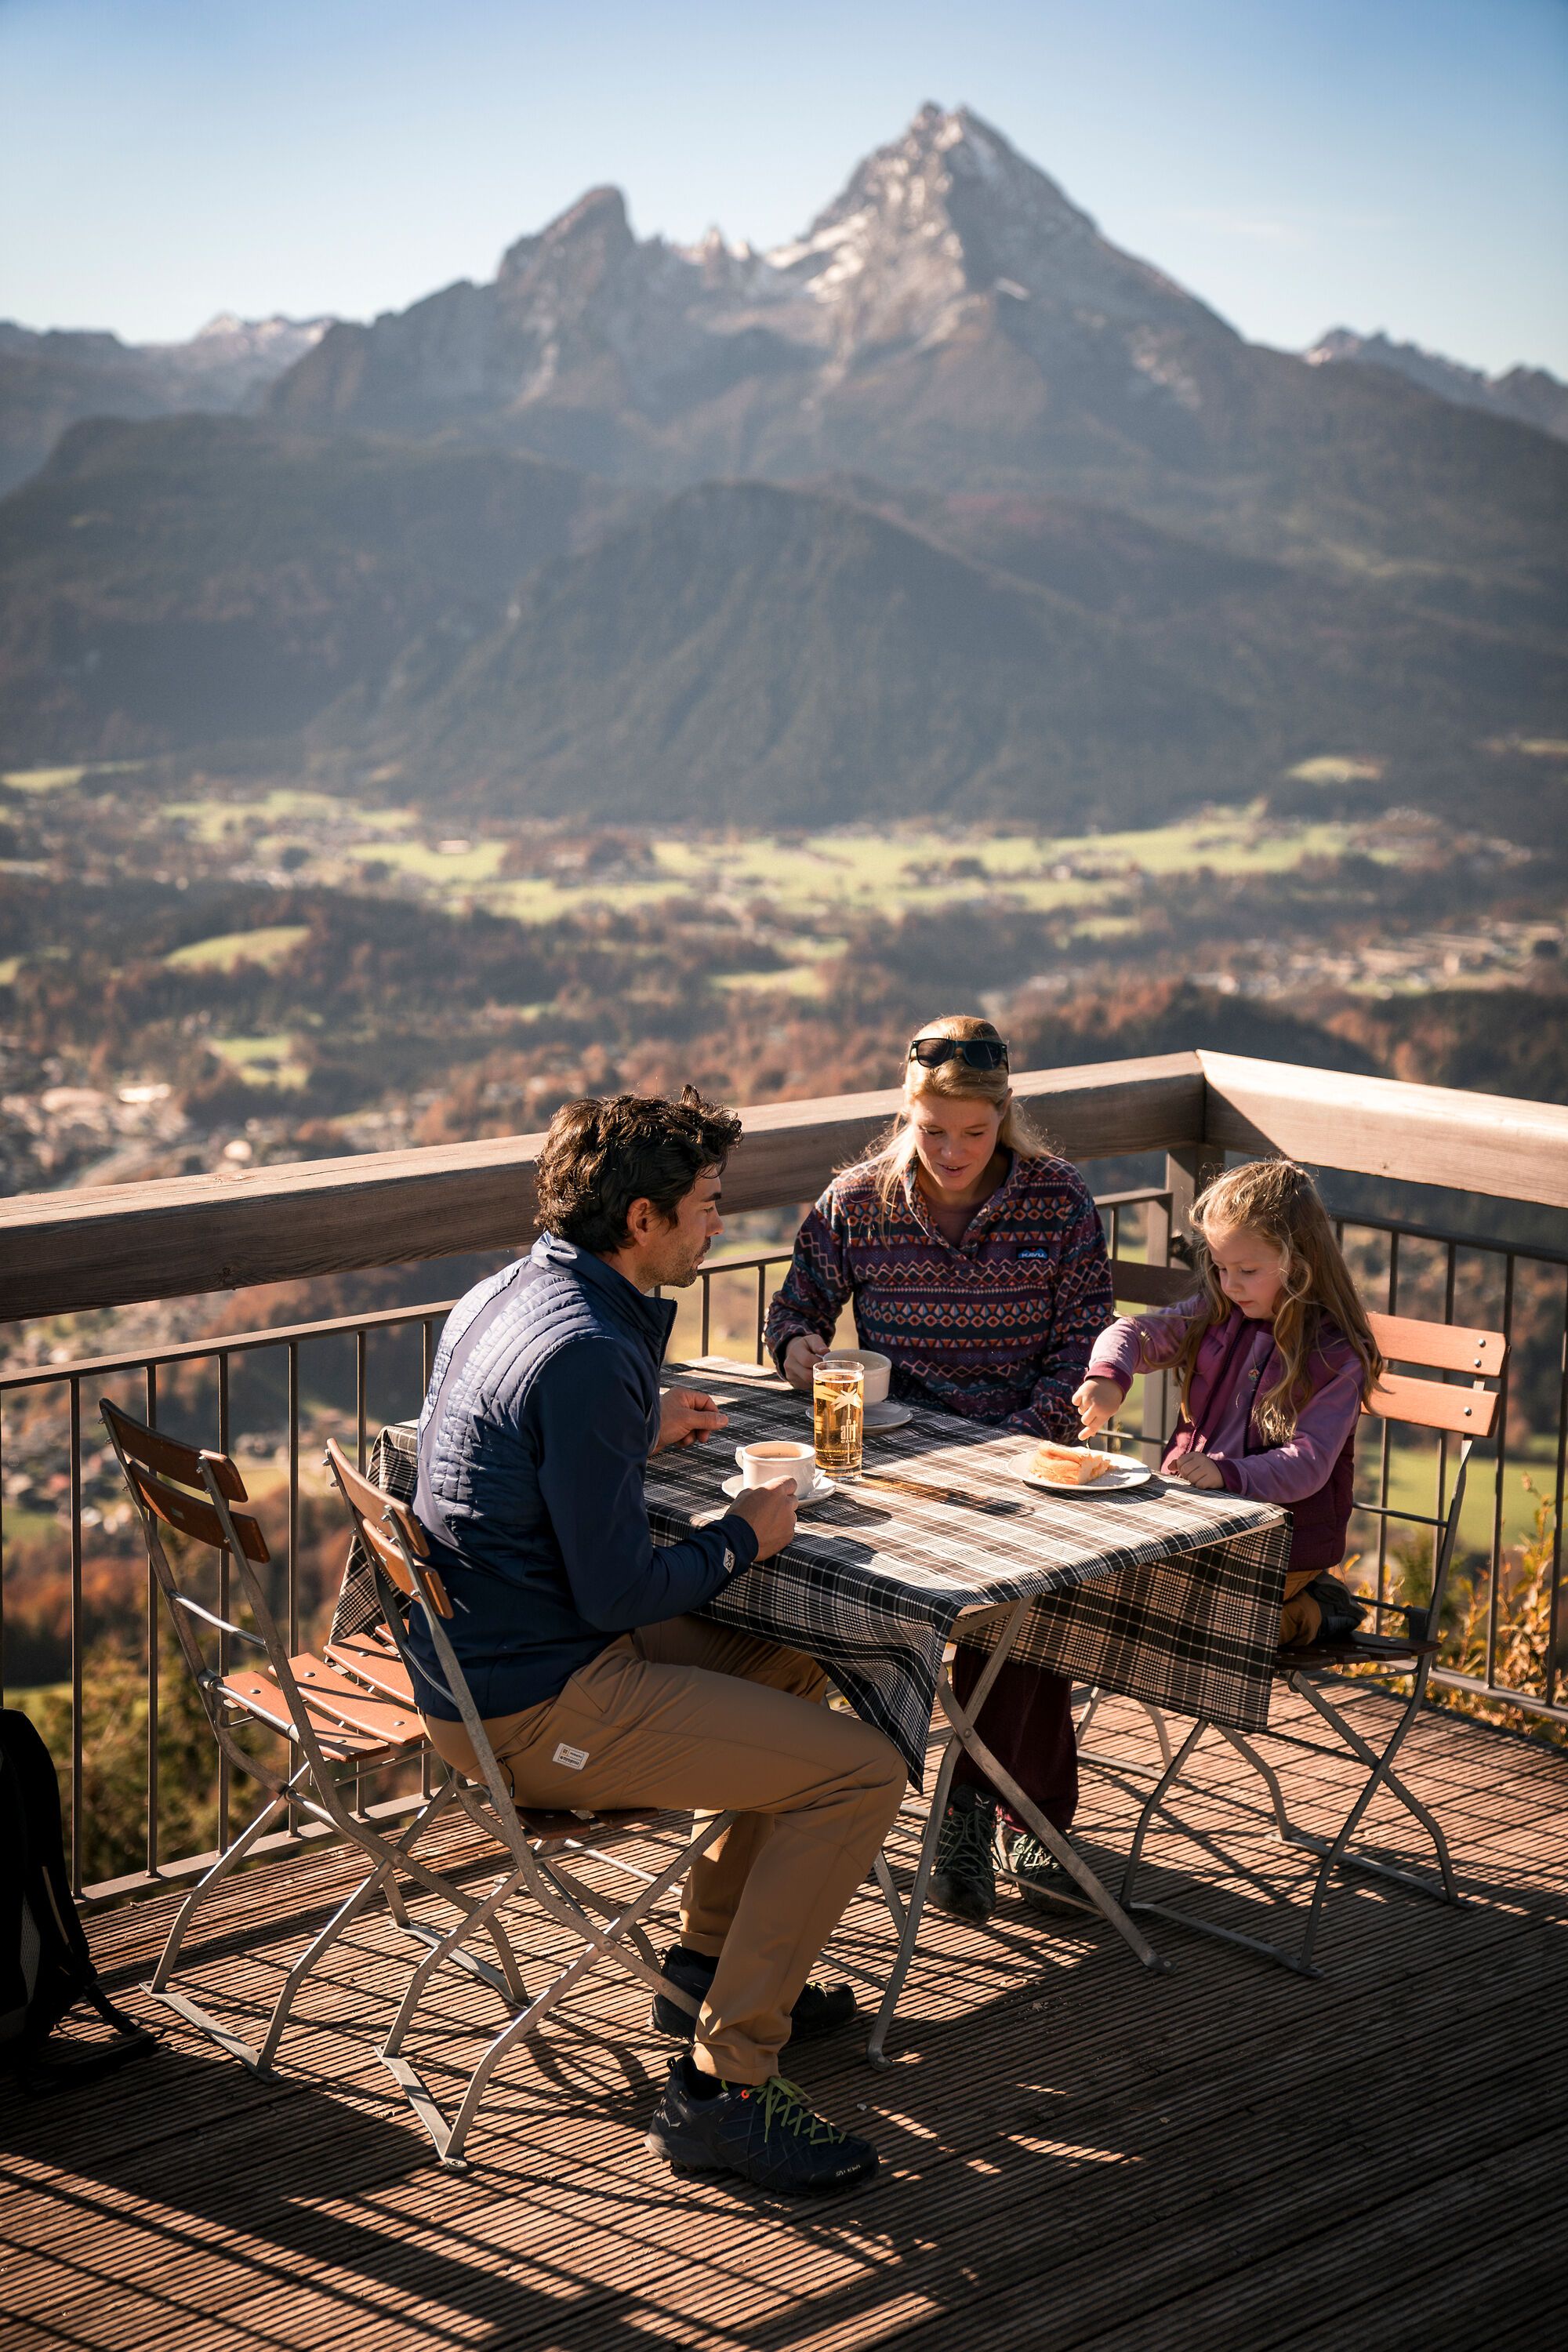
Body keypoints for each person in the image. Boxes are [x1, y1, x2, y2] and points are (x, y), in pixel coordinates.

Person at [409, 1086, 904, 2194]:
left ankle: (703, 1971)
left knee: (797, 1661)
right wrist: (745, 1533)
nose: (719, 1223)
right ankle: (725, 2090)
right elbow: (619, 1587)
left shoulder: (513, 1291)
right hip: (537, 1706)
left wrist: (639, 1421)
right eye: (707, 1204)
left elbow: (532, 1447)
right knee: (862, 1774)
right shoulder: (590, 1350)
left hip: (484, 1663)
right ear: (643, 1220)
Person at [764, 1014, 1114, 1926]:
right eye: (932, 1130)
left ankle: (976, 1811)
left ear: (1005, 1116)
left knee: (1027, 1607)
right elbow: (793, 1312)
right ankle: (1018, 1816)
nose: (952, 1150)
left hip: (1032, 1459)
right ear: (904, 1114)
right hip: (900, 1469)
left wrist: (1013, 1441)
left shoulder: (1057, 1199)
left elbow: (1085, 1341)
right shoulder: (854, 1203)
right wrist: (800, 1349)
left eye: (974, 1130)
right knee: (933, 1610)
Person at [1076, 1158, 1383, 1646]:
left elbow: (1309, 1462)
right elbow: (1135, 1331)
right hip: (1194, 1521)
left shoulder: (1335, 1354)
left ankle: (1316, 1612)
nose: (1229, 1284)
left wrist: (1229, 1474)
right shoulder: (1216, 1313)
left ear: (1301, 1262)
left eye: (1247, 1270)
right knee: (1097, 1585)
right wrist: (1109, 1377)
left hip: (1283, 1545)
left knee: (1188, 1620)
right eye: (1219, 1268)